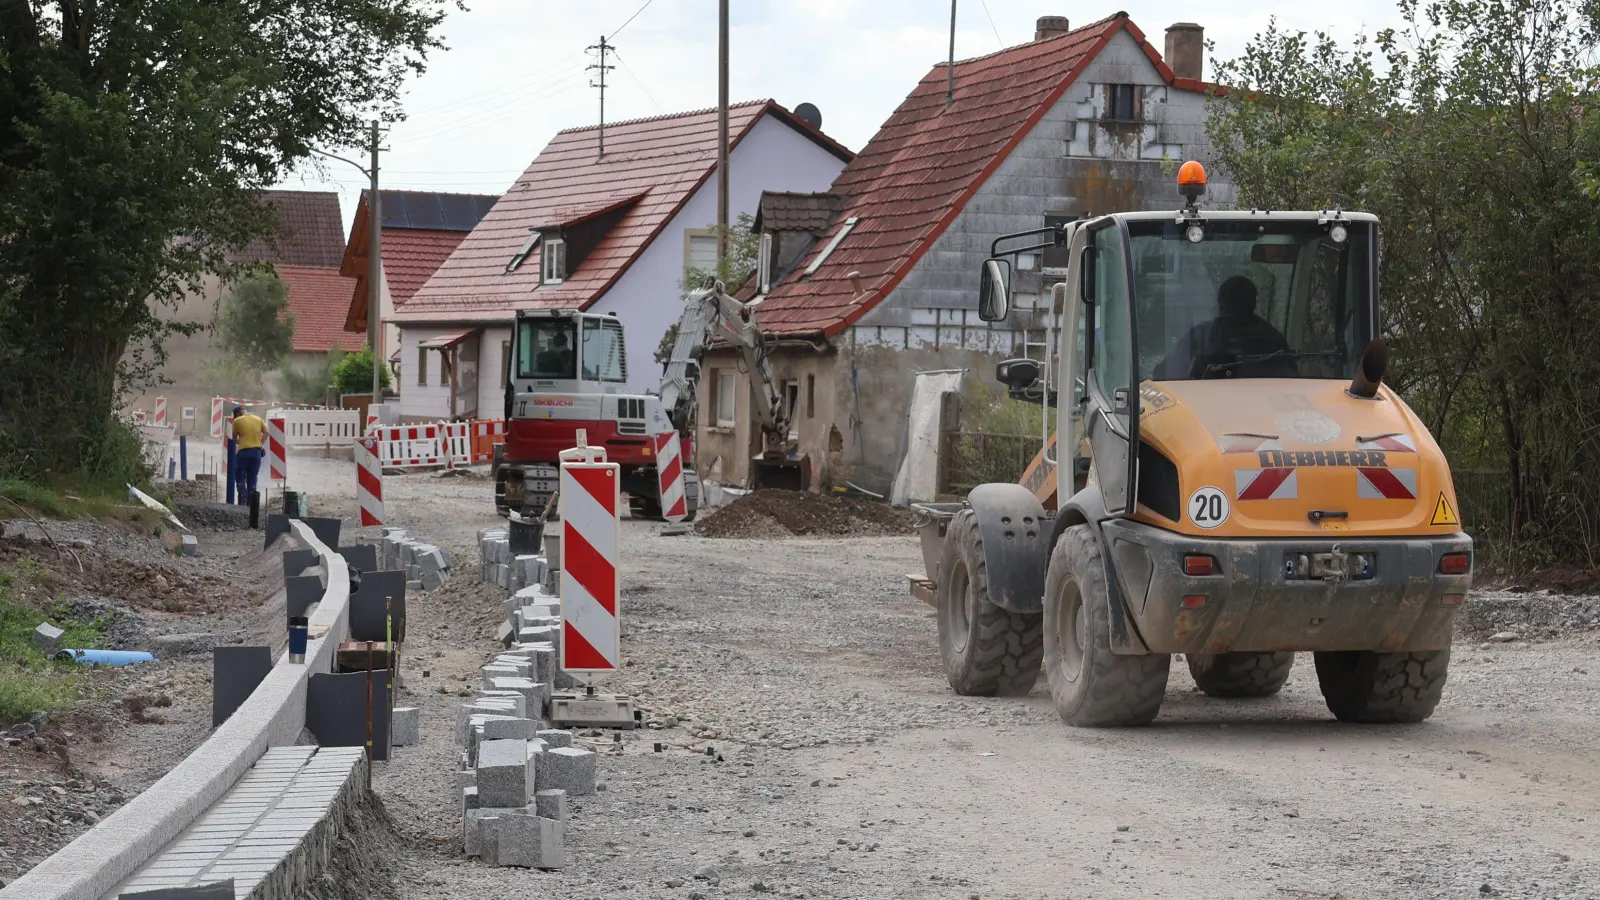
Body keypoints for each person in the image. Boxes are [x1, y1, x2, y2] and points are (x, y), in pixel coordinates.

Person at [1155, 275, 1295, 379]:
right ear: (1254, 304)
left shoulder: (1200, 336)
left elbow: (1166, 372)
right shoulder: (1272, 338)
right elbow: (1292, 378)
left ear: (1221, 304)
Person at [231, 405, 266, 505]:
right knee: (252, 477)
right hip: (256, 453)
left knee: (240, 476)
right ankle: (251, 505)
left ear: (237, 414)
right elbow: (266, 432)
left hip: (243, 453)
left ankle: (242, 501)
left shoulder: (237, 421)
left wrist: (241, 441)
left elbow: (234, 439)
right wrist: (260, 443)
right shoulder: (258, 419)